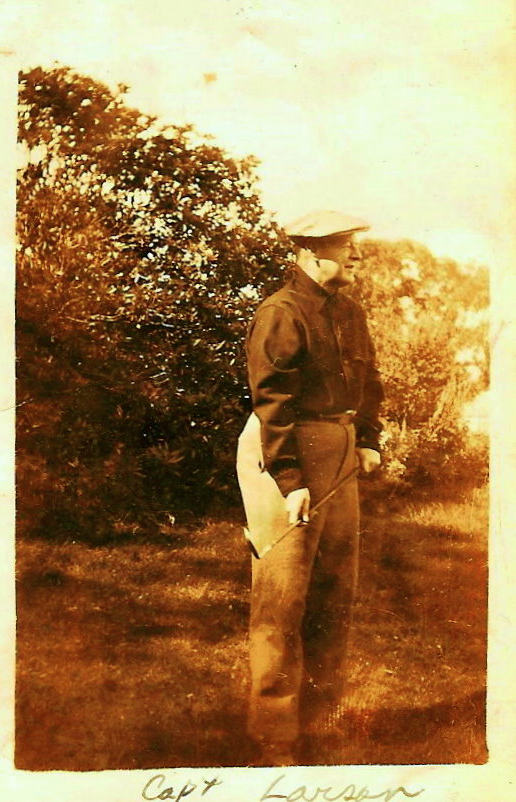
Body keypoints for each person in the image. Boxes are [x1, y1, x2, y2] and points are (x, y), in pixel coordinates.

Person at [236, 209, 385, 766]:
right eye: (346, 247)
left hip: (339, 449)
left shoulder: (349, 312)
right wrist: (289, 481)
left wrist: (367, 438)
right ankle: (273, 738)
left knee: (333, 593)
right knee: (282, 597)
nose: (356, 255)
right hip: (286, 450)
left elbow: (369, 382)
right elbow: (272, 403)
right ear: (312, 251)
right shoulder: (281, 312)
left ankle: (321, 727)